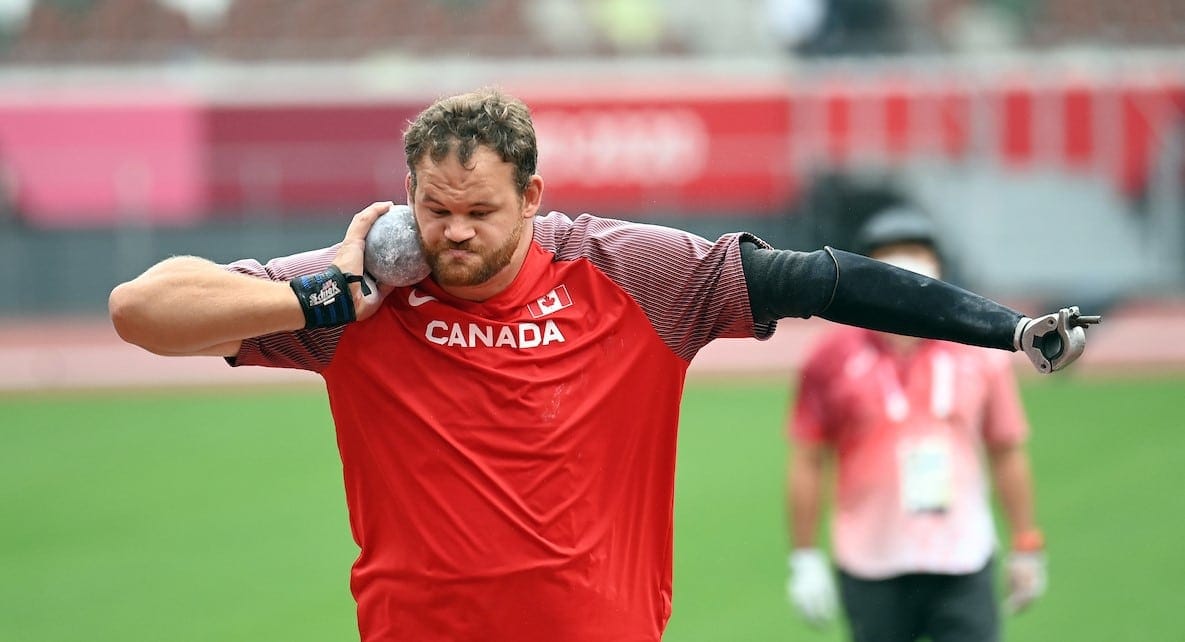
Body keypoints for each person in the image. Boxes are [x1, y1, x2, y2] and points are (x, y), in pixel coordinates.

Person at [109, 88, 1081, 642]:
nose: (451, 235)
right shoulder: (360, 289)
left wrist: (1005, 328)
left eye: (479, 212)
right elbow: (143, 311)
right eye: (432, 209)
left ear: (533, 196)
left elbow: (825, 281)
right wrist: (326, 292)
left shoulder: (633, 273)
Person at [784, 207, 1047, 642]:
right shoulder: (829, 357)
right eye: (890, 257)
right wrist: (805, 556)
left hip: (962, 555)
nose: (905, 268)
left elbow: (1006, 449)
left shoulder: (981, 351)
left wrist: (1026, 543)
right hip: (870, 558)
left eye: (916, 253)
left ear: (939, 266)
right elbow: (809, 458)